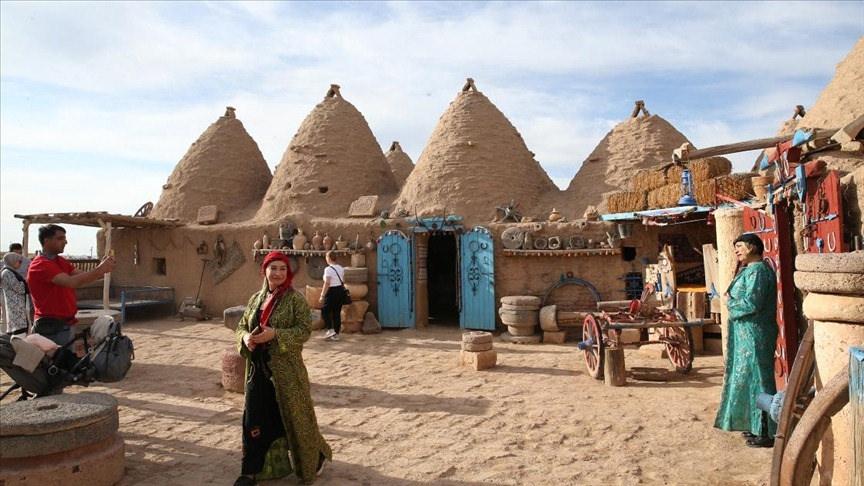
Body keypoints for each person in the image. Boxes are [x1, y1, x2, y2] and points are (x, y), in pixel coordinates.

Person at [234, 251, 332, 486]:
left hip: (287, 371)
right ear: (264, 270)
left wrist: (275, 334)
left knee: (296, 419)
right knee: (254, 418)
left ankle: (315, 457)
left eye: (282, 269)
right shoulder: (255, 299)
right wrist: (245, 338)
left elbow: (304, 331)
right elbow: (241, 326)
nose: (277, 273)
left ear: (288, 273)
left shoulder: (295, 299)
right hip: (257, 370)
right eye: (273, 268)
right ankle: (251, 471)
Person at [714, 233, 778, 448]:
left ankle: (767, 431)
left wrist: (729, 303)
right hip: (746, 335)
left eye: (740, 246)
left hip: (755, 335)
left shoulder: (758, 271)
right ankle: (755, 426)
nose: (737, 251)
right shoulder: (750, 270)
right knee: (750, 380)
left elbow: (752, 303)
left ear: (752, 247)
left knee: (760, 380)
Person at [27, 224, 114, 345]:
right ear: (46, 241)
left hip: (65, 324)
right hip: (51, 327)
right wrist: (100, 270)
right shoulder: (41, 265)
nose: (65, 242)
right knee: (57, 357)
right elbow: (71, 282)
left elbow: (83, 276)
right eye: (60, 238)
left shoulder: (60, 261)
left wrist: (102, 269)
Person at [318, 251, 347, 342]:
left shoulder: (328, 269)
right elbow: (343, 280)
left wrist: (322, 295)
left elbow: (327, 283)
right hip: (340, 291)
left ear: (329, 258)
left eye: (326, 257)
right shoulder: (341, 268)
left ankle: (330, 330)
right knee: (336, 313)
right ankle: (336, 334)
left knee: (324, 311)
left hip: (331, 291)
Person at [1, 252, 31, 335]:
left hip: (17, 305)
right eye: (19, 261)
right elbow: (20, 288)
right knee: (18, 332)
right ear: (12, 261)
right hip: (15, 306)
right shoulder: (7, 273)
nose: (20, 264)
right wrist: (27, 281)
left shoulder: (10, 271)